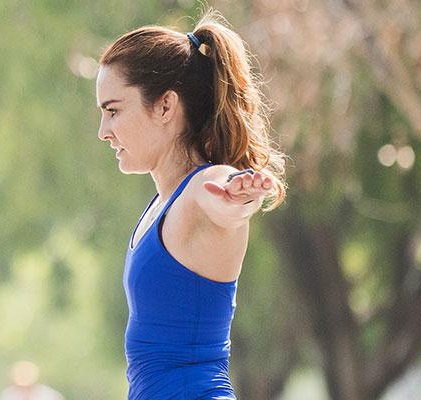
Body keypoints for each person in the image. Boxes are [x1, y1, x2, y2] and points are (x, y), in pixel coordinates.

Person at [92, 11, 286, 400]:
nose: (103, 132)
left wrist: (239, 198)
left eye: (113, 111)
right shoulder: (162, 205)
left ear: (165, 106)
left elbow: (224, 202)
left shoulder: (205, 184)